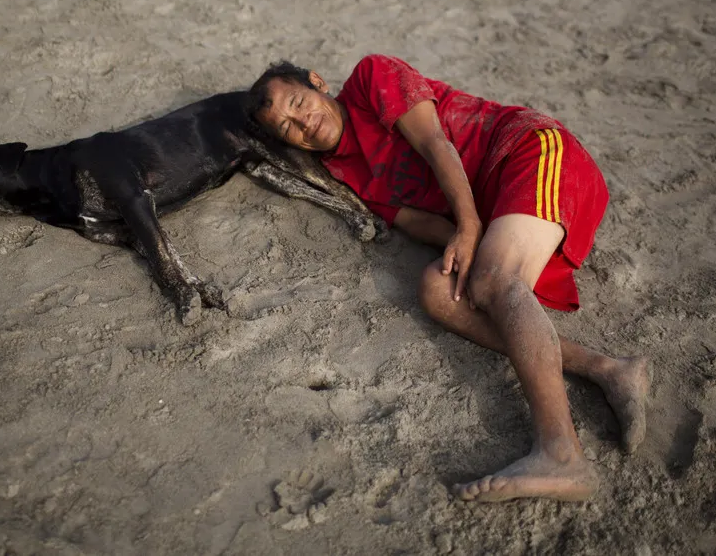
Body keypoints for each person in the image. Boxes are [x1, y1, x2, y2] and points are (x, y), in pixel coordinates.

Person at [246, 54, 651, 503]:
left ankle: (561, 454)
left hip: (528, 151)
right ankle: (610, 370)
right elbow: (415, 222)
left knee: (496, 280)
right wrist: (466, 242)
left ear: (317, 83)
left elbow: (437, 142)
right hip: (494, 211)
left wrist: (471, 228)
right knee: (438, 291)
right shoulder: (342, 171)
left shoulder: (370, 78)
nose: (302, 123)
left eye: (299, 102)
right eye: (287, 129)